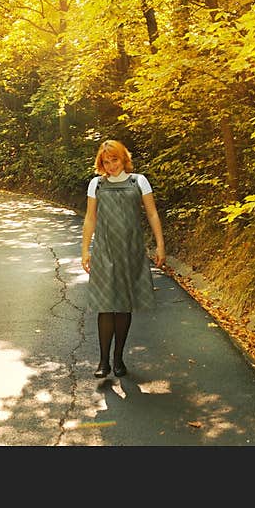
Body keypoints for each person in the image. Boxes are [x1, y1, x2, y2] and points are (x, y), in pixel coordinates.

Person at [81, 139, 166, 378]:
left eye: (114, 160)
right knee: (105, 306)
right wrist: (85, 250)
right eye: (106, 162)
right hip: (104, 251)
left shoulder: (138, 181)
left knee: (123, 306)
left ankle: (118, 359)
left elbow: (151, 212)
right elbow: (90, 218)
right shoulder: (96, 184)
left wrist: (160, 245)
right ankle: (103, 362)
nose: (110, 166)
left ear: (123, 159)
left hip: (131, 251)